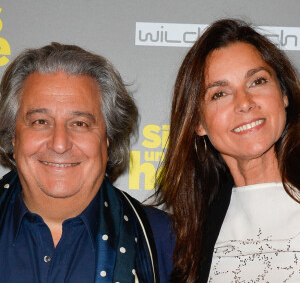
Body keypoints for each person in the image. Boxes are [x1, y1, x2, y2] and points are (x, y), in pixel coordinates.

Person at [0, 42, 174, 283]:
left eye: (80, 123)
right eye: (40, 121)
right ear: (13, 135)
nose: (59, 143)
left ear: (108, 139)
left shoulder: (162, 240)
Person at [156, 18, 300, 283]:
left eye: (257, 81)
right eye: (219, 94)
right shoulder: (192, 235)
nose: (244, 103)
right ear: (198, 122)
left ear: (283, 94)